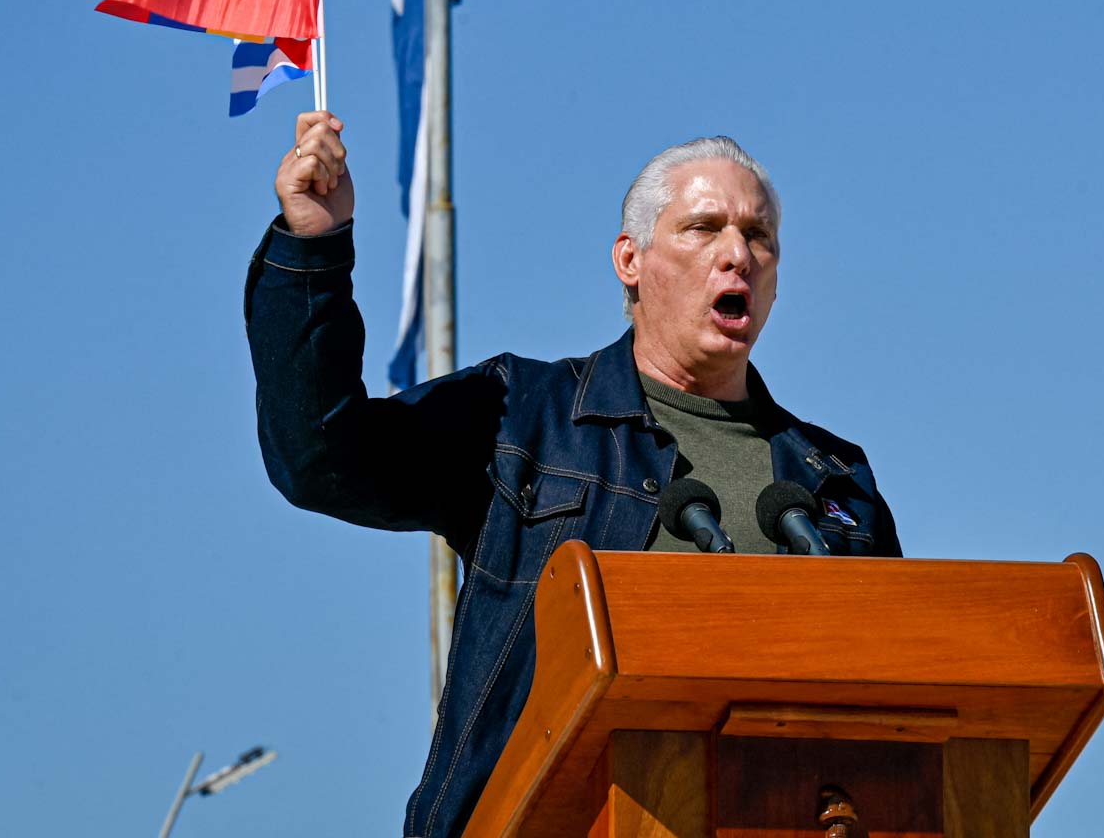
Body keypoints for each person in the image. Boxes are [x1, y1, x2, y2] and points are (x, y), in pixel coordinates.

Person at [245, 112, 902, 838]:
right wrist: (314, 247)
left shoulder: (833, 479)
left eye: (758, 235)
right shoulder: (523, 417)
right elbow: (321, 460)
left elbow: (905, 708)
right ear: (630, 260)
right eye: (704, 228)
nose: (737, 254)